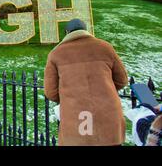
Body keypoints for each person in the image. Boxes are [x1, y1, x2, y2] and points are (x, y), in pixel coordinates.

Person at [44, 18, 128, 146]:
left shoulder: (56, 54)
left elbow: (51, 92)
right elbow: (122, 80)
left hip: (77, 120)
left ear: (66, 32)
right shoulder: (105, 47)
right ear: (86, 30)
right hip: (109, 116)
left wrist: (69, 98)